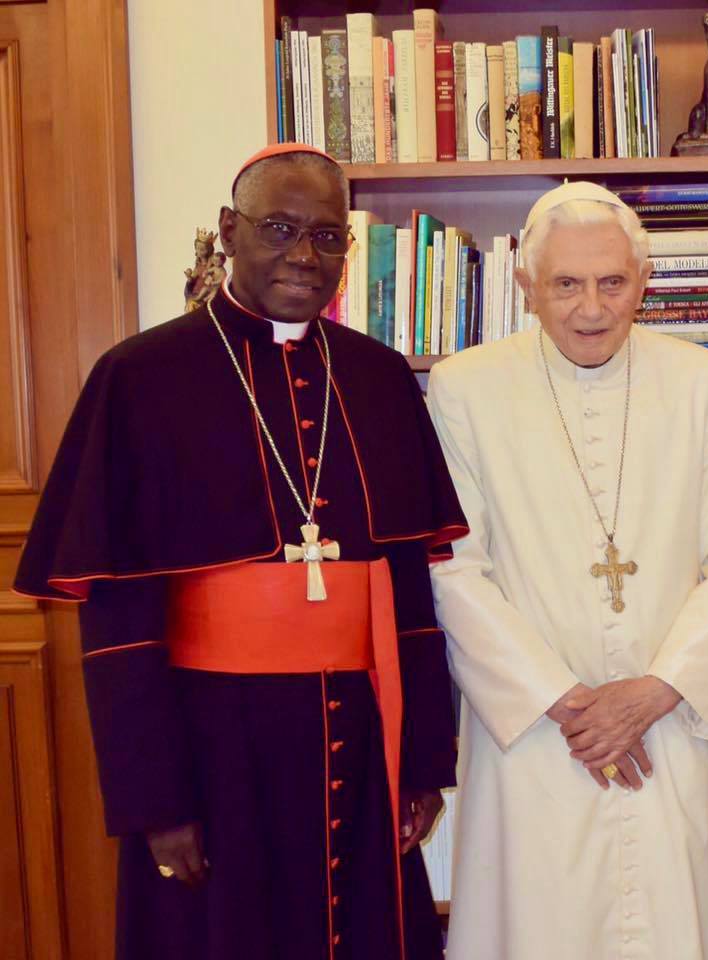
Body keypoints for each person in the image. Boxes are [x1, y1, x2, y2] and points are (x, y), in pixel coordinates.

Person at [15, 142, 467, 960]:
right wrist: (155, 799)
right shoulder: (141, 376)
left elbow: (406, 588)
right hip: (211, 748)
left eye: (328, 236)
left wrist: (425, 759)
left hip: (360, 736)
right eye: (279, 228)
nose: (304, 255)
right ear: (230, 230)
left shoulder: (379, 377)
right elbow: (119, 617)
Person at [427, 180, 708, 960]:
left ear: (643, 283)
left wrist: (653, 691)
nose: (591, 308)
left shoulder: (700, 382)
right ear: (525, 287)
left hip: (670, 727)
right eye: (566, 285)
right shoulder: (465, 389)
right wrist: (567, 701)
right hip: (540, 738)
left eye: (612, 283)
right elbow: (453, 568)